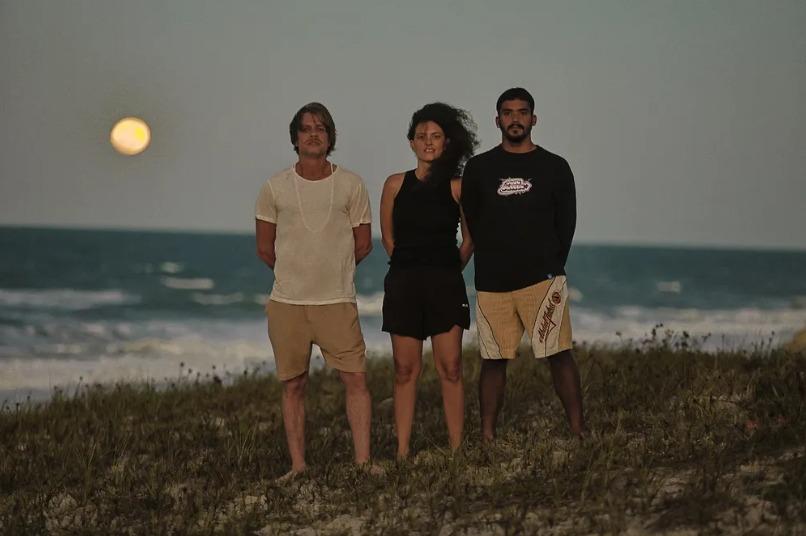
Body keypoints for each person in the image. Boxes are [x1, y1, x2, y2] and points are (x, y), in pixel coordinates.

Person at [255, 102, 374, 479]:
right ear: (295, 137)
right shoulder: (274, 187)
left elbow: (363, 244)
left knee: (355, 379)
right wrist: (296, 276)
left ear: (330, 136)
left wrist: (332, 273)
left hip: (336, 302)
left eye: (320, 128)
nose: (313, 134)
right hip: (288, 304)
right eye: (306, 128)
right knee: (293, 385)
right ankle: (298, 466)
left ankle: (363, 464)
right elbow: (265, 248)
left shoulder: (352, 184)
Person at [460, 88, 586, 441]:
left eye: (522, 112)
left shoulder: (555, 167)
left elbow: (567, 224)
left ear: (534, 119)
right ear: (497, 120)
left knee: (559, 355)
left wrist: (550, 264)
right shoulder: (479, 168)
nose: (515, 119)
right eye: (508, 113)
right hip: (492, 282)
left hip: (542, 280)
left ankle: (578, 430)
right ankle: (487, 436)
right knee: (493, 360)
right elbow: (470, 220)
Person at [379, 103, 478, 458]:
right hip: (404, 284)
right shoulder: (394, 184)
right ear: (411, 142)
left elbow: (469, 240)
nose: (428, 142)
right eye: (421, 136)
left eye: (435, 136)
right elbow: (388, 238)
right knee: (405, 370)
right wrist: (411, 267)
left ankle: (456, 449)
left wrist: (448, 270)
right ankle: (402, 451)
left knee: (450, 367)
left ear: (447, 142)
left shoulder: (458, 187)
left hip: (445, 286)